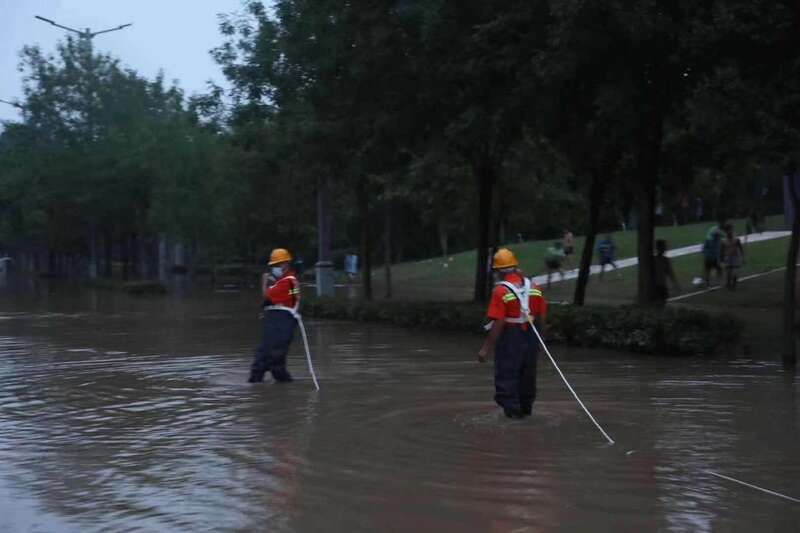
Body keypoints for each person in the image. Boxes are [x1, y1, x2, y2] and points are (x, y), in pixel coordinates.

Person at [478, 248, 547, 419]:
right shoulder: (535, 287)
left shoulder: (500, 292)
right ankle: (526, 410)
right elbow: (541, 316)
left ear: (498, 272)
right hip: (531, 336)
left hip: (511, 338)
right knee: (527, 374)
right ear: (515, 267)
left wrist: (485, 349)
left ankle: (513, 418)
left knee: (507, 376)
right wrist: (541, 342)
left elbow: (498, 322)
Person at [248, 248, 301, 383]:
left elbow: (267, 295)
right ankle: (276, 391)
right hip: (275, 322)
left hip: (283, 323)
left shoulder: (289, 281)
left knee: (272, 361)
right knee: (266, 362)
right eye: (274, 265)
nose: (276, 268)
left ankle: (281, 390)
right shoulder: (285, 281)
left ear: (287, 264)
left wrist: (264, 283)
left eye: (279, 264)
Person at [653, 239, 681, 305]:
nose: (665, 249)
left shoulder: (655, 260)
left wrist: (675, 284)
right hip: (659, 286)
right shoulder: (663, 260)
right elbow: (671, 273)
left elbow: (670, 273)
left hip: (659, 286)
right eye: (664, 247)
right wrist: (675, 284)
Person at [720, 224, 744, 289]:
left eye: (730, 230)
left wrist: (742, 256)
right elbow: (721, 251)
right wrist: (721, 260)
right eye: (728, 230)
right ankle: (728, 284)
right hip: (727, 258)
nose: (729, 231)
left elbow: (740, 248)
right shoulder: (723, 240)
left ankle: (733, 283)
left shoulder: (736, 239)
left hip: (735, 257)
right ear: (725, 231)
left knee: (735, 272)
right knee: (728, 272)